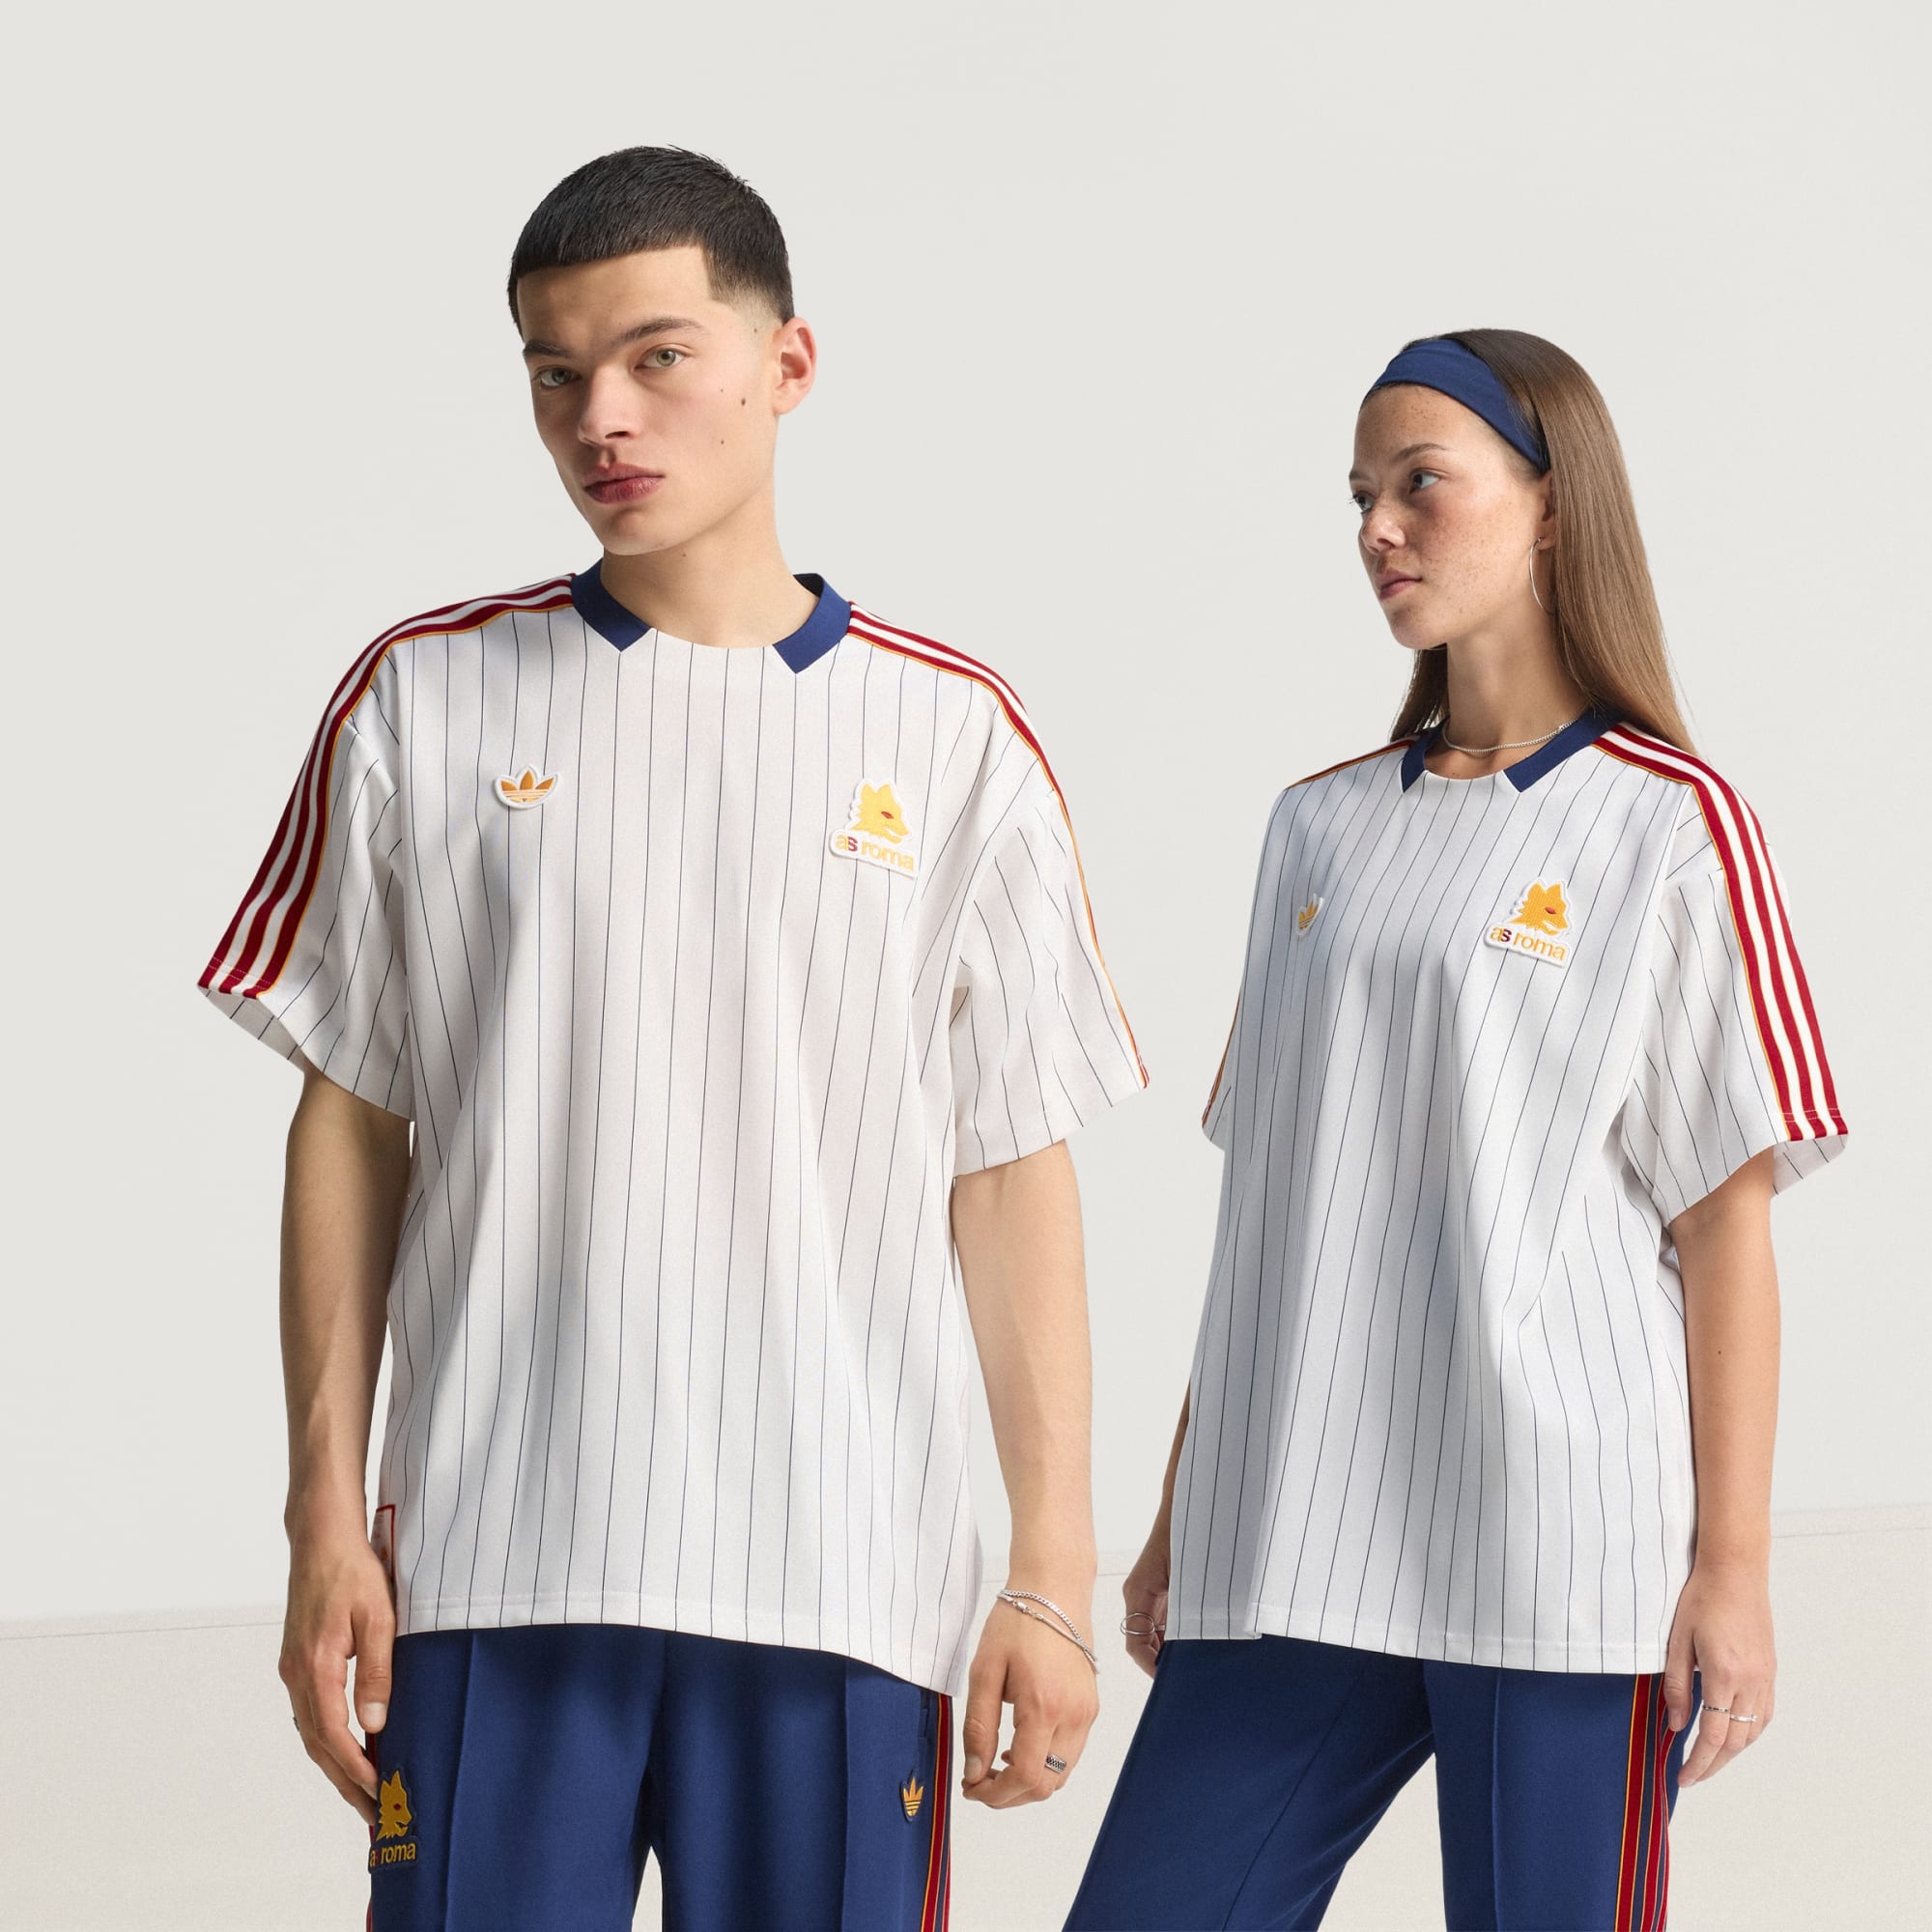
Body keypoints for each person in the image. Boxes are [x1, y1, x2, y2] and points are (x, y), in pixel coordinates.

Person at [195, 145, 1148, 1931]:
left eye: (656, 358)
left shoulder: (954, 738)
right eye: (556, 373)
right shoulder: (423, 695)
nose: (600, 419)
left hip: (846, 1576)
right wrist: (325, 1522)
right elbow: (353, 1120)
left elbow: (1011, 1169)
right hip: (493, 1560)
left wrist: (1051, 1569)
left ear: (788, 364)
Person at [1065, 330, 1846, 1931]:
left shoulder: (1670, 826)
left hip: (1564, 1553)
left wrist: (1734, 1569)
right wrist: (1180, 1512)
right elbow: (1281, 1206)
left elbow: (1725, 1226)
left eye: (1422, 483)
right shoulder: (1319, 827)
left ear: (1553, 504)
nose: (1378, 528)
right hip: (1292, 1534)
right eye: (1361, 495)